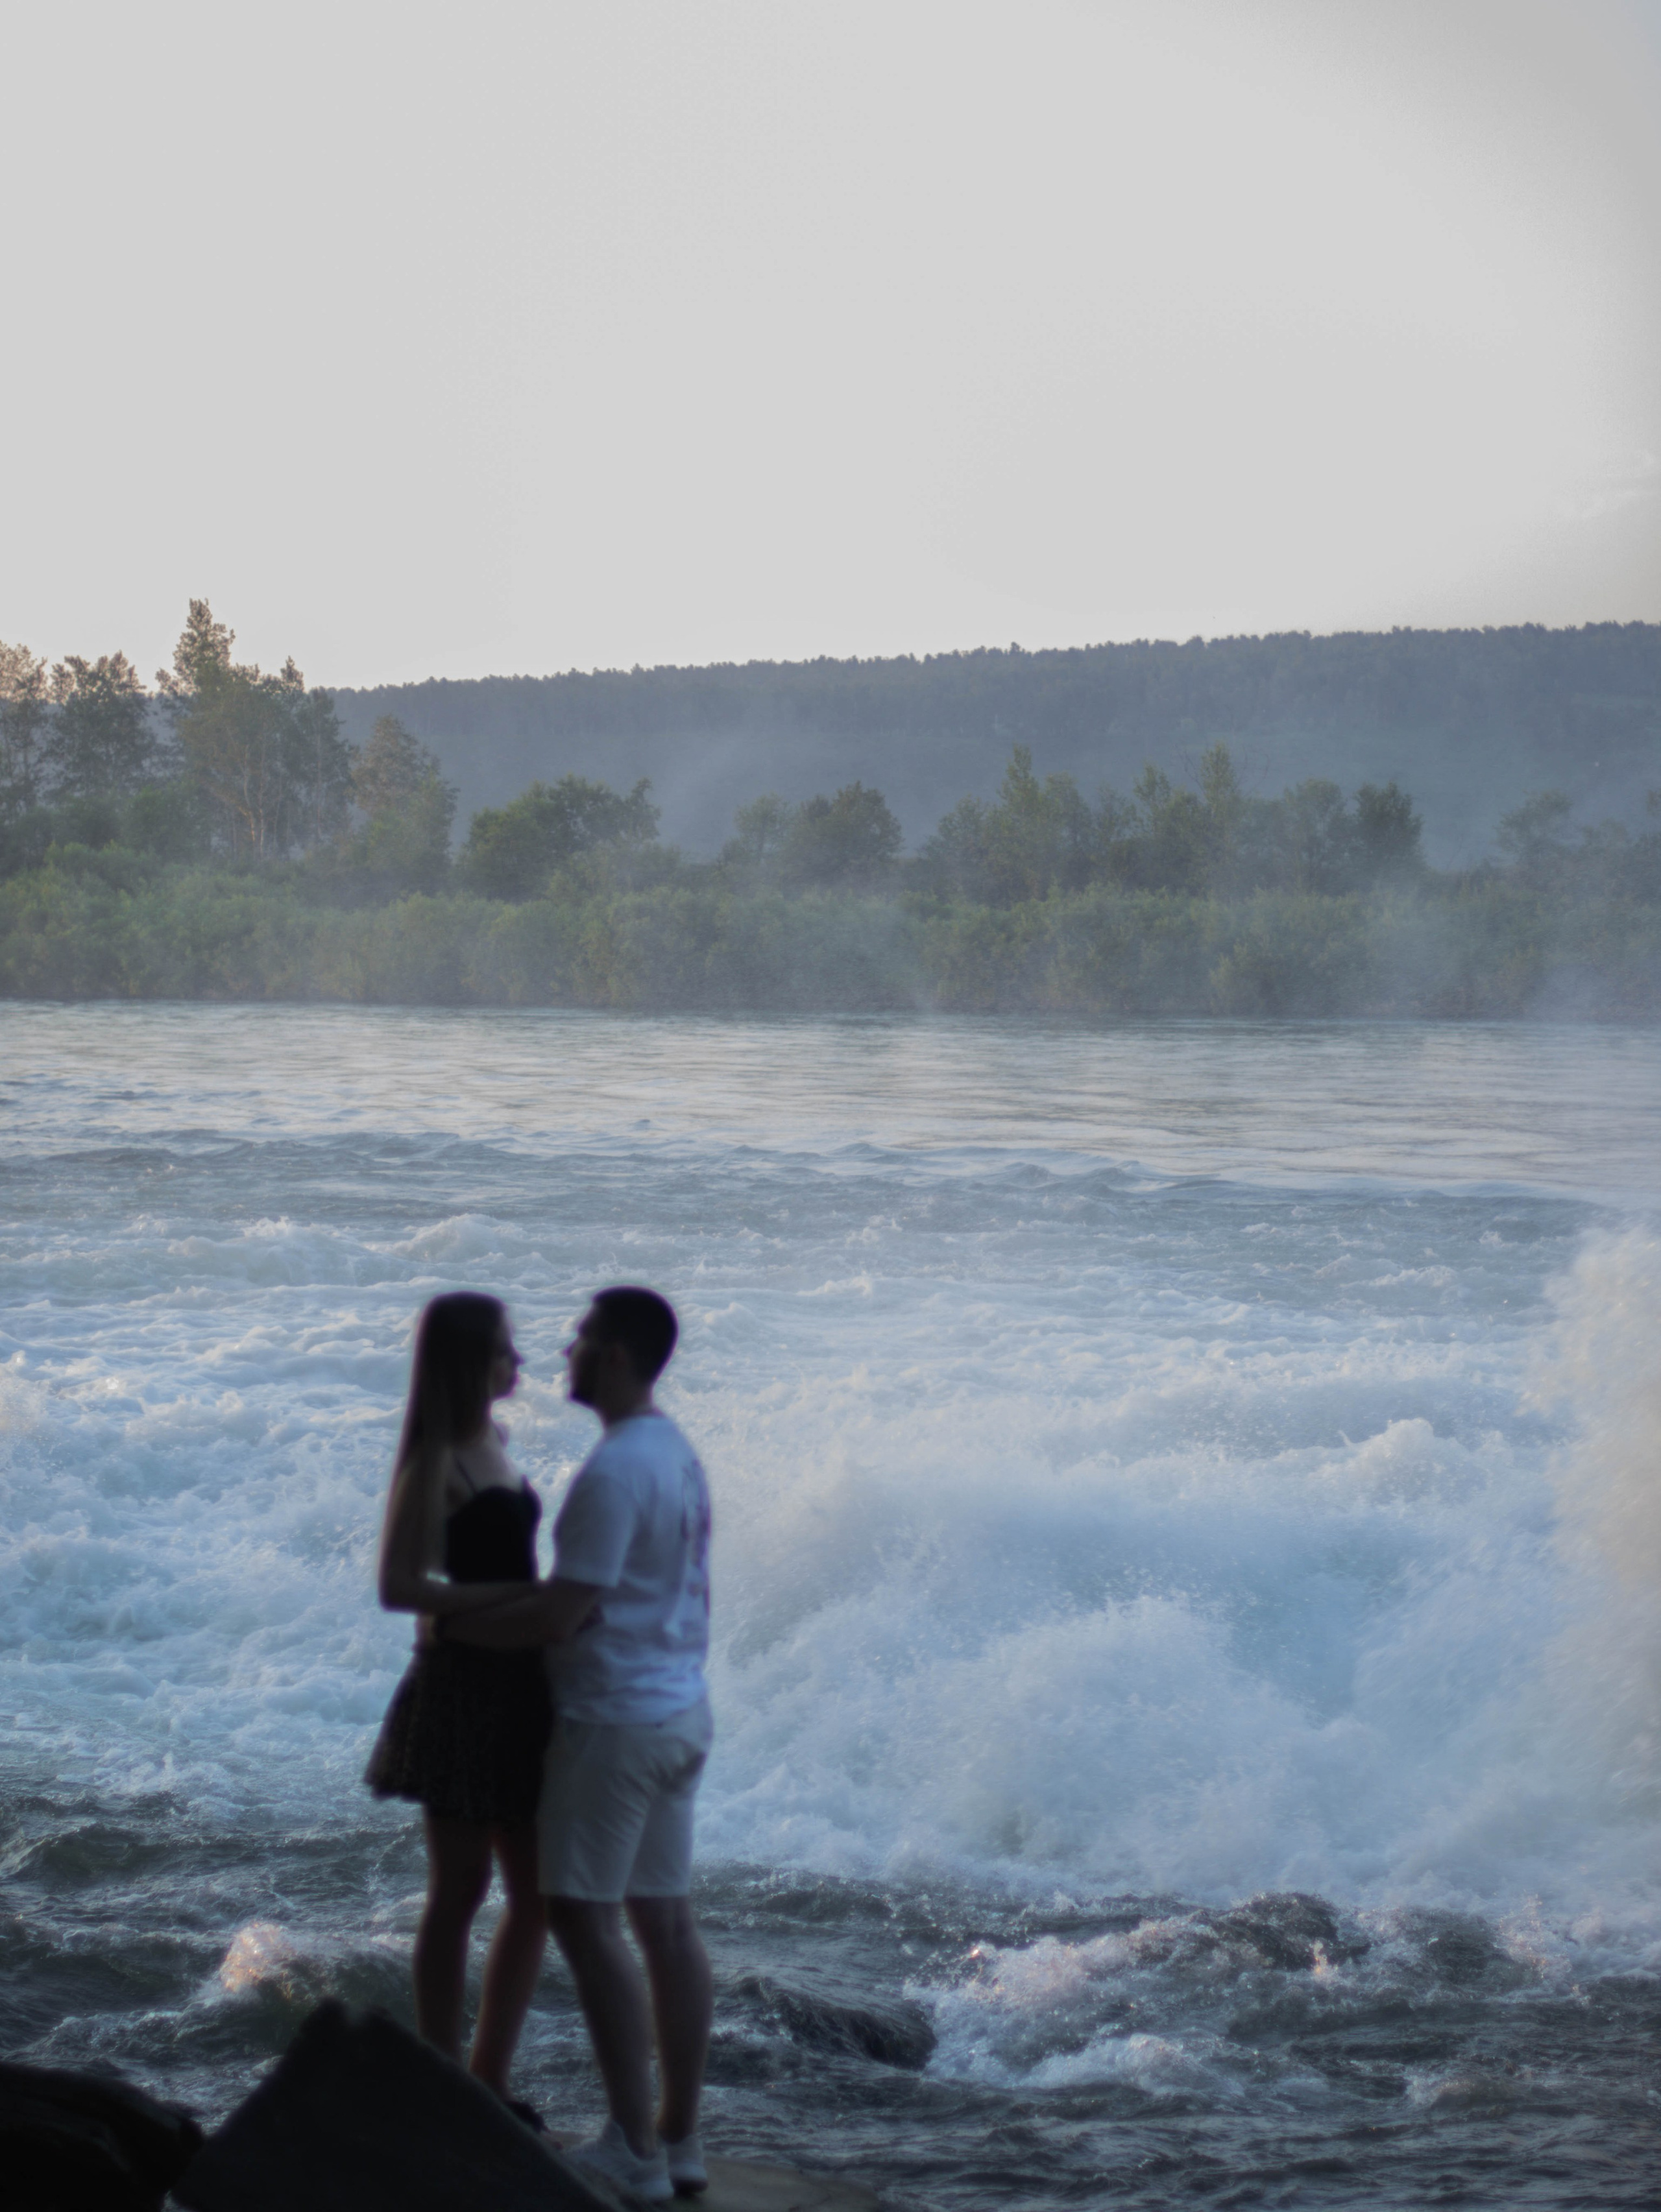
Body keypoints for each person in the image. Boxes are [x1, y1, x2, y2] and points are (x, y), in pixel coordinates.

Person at [437, 1286, 712, 2205]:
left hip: (613, 1723)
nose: (566, 1351)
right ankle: (679, 2139)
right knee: (666, 1923)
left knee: (583, 1919)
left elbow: (562, 1613)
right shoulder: (674, 1451)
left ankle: (632, 2146)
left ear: (617, 1355)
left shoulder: (613, 1471)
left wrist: (454, 1626)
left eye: (582, 1338)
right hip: (679, 1710)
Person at [363, 1291, 553, 2124]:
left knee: (535, 1894)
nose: (520, 1361)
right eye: (507, 1349)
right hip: (460, 1688)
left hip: (521, 1682)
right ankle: (443, 2075)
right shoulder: (434, 1459)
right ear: (470, 1362)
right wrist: (516, 1597)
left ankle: (487, 2078)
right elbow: (398, 1586)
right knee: (460, 1889)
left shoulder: (495, 1441)